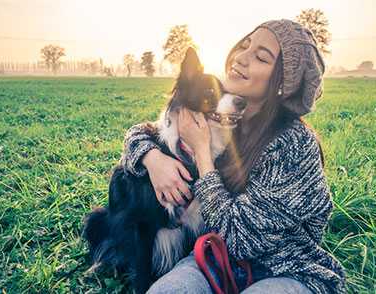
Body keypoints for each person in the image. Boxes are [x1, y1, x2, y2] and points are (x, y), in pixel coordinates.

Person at [119, 19, 346, 294]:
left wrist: (202, 153)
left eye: (261, 57)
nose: (241, 58)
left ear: (283, 83)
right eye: (245, 45)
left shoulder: (295, 146)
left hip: (288, 270)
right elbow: (141, 132)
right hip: (214, 259)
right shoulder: (223, 121)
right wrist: (153, 158)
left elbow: (241, 239)